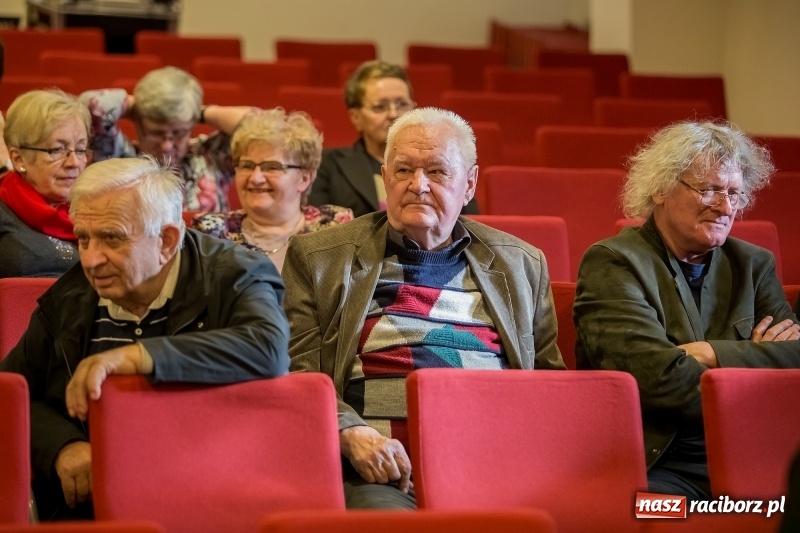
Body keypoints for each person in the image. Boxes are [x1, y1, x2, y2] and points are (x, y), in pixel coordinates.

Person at [284, 107, 564, 510]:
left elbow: (551, 384)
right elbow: (300, 372)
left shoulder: (521, 264)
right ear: (385, 177)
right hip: (381, 473)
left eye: (436, 171)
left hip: (496, 468)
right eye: (403, 170)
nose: (418, 185)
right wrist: (348, 432)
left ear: (469, 184)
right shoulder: (321, 258)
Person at [0, 155, 290, 521]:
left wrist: (136, 357)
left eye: (111, 238)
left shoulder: (233, 274)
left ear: (166, 240)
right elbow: (11, 393)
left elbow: (267, 348)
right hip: (96, 504)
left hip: (215, 488)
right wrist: (63, 445)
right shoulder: (71, 296)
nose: (90, 260)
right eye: (83, 239)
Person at [574, 120, 800, 501]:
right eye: (709, 190)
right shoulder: (613, 263)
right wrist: (759, 366)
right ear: (661, 188)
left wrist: (712, 353)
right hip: (658, 467)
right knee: (657, 515)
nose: (725, 208)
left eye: (734, 194)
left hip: (757, 457)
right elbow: (660, 382)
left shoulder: (753, 264)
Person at [309, 60, 479, 217]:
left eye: (402, 104)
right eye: (380, 107)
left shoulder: (446, 162)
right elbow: (318, 227)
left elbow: (470, 224)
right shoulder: (327, 165)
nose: (393, 114)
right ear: (356, 117)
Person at [192, 108, 353, 272]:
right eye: (247, 166)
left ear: (304, 178)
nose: (255, 178)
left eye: (272, 167)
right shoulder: (211, 232)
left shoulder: (334, 228)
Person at [80, 66, 254, 211]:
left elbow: (260, 125)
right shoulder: (117, 156)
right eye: (156, 133)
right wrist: (137, 108)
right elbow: (89, 105)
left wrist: (197, 112)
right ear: (138, 124)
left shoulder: (209, 156)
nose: (167, 146)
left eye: (178, 133)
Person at [0, 89, 91, 278]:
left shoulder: (95, 210)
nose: (74, 162)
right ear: (18, 159)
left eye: (81, 149)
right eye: (57, 150)